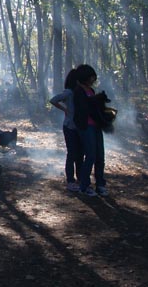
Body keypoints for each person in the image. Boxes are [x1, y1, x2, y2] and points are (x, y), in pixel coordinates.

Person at [72, 64, 108, 197]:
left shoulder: (91, 90)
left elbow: (94, 107)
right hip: (86, 127)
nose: (93, 79)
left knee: (100, 156)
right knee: (90, 156)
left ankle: (100, 184)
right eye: (91, 76)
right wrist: (95, 101)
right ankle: (84, 185)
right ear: (85, 77)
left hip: (96, 126)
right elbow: (83, 109)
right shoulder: (78, 91)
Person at [50, 70, 83, 192]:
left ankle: (80, 179)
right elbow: (53, 100)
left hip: (80, 127)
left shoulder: (81, 92)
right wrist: (65, 110)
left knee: (80, 154)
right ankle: (70, 180)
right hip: (70, 127)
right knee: (72, 153)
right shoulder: (69, 93)